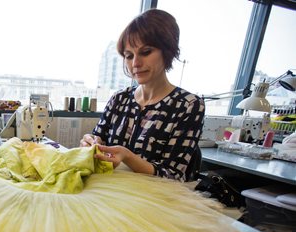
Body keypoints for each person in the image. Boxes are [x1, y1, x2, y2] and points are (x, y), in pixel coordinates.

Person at [81, 9, 205, 182]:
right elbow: (99, 137)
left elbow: (173, 176)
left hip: (154, 196)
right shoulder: (119, 99)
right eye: (129, 56)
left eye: (146, 52)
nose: (136, 64)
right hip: (111, 187)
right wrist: (90, 143)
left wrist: (127, 156)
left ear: (167, 50)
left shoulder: (188, 105)